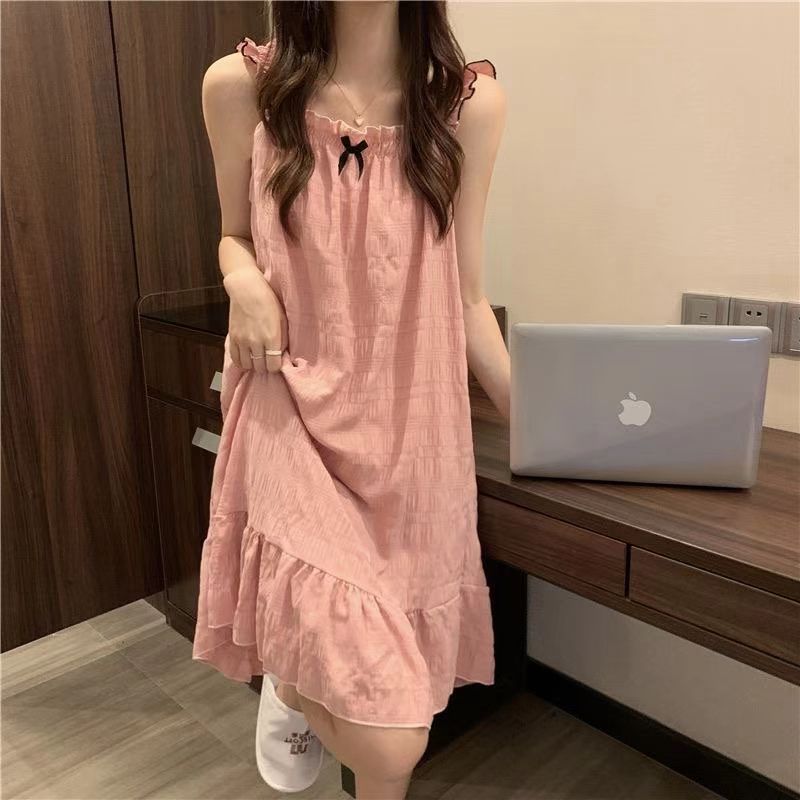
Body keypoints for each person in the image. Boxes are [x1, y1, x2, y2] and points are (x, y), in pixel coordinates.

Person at [192, 2, 508, 798]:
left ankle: (299, 681)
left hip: (413, 434)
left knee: (388, 695)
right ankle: (295, 681)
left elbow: (468, 296)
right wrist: (241, 280)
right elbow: (233, 233)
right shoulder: (241, 88)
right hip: (289, 408)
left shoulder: (467, 108)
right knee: (391, 742)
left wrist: (543, 426)